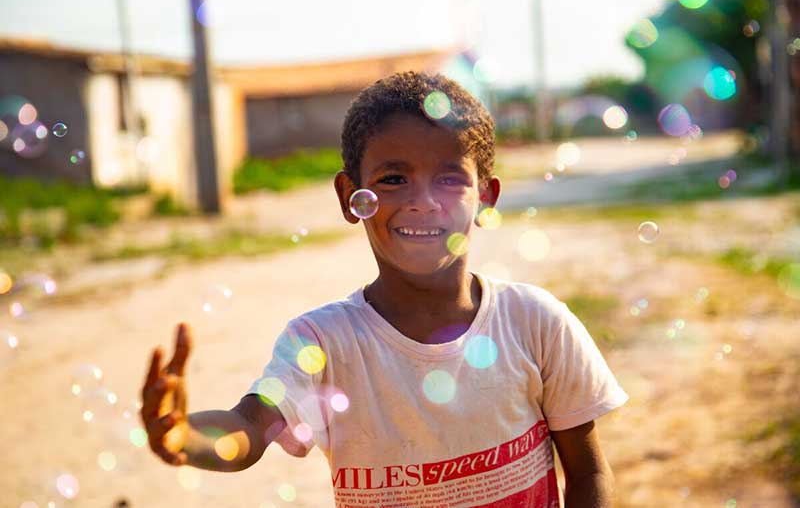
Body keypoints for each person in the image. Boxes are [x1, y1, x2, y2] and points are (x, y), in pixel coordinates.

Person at [140, 71, 629, 508]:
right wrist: (186, 438)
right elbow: (248, 427)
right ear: (349, 197)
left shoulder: (535, 321)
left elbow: (587, 472)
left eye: (449, 179)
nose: (422, 202)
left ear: (486, 198)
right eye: (393, 178)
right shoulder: (322, 343)